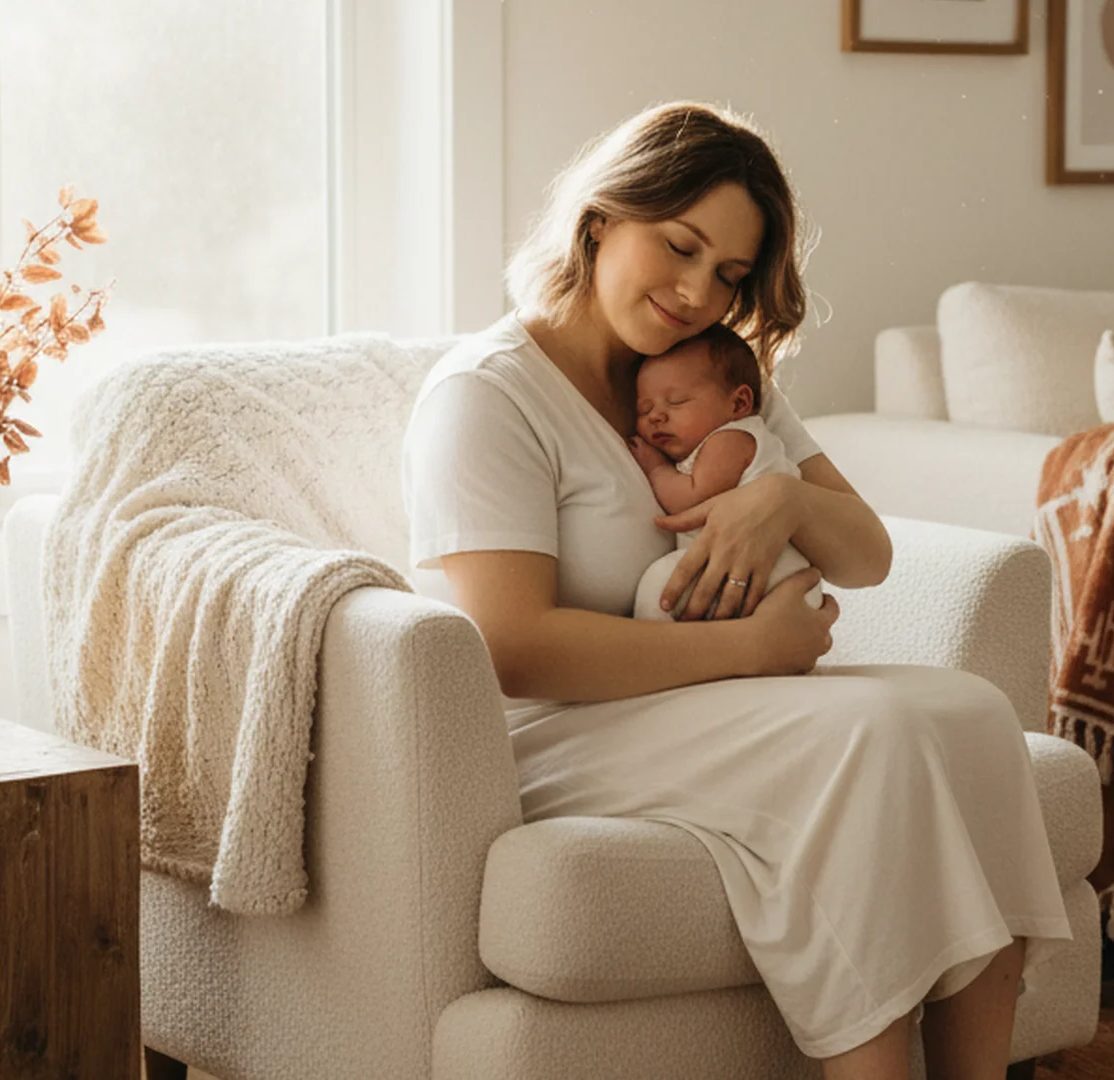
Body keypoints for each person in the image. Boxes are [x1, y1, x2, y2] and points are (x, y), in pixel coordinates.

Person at [400, 101, 1070, 1080]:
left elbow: (866, 554)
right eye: (678, 246)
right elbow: (513, 646)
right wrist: (749, 650)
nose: (693, 290)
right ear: (600, 222)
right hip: (553, 729)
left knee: (971, 713)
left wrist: (785, 500)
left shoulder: (703, 379)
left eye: (728, 274)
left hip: (704, 700)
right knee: (871, 738)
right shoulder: (487, 396)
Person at [626, 323, 823, 621]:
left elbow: (691, 499)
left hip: (773, 570)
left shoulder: (730, 440)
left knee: (659, 586)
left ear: (739, 403)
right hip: (756, 570)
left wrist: (655, 468)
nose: (657, 416)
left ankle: (655, 651)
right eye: (644, 409)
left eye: (677, 402)